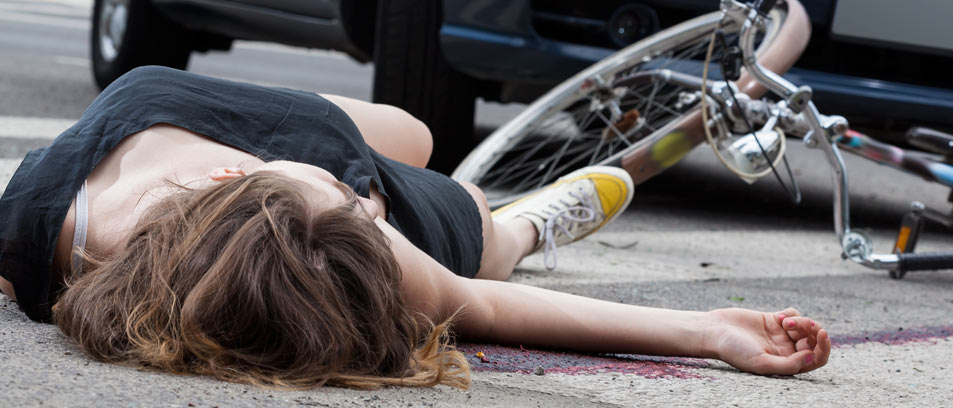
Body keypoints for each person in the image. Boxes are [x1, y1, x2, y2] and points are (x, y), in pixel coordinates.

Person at [0, 66, 829, 389]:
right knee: (476, 230)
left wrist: (332, 184)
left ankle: (348, 181)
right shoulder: (347, 249)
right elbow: (484, 307)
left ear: (230, 174)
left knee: (415, 136)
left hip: (165, 120)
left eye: (352, 197)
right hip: (301, 238)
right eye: (360, 203)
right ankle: (532, 226)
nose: (367, 200)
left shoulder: (28, 224)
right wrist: (712, 332)